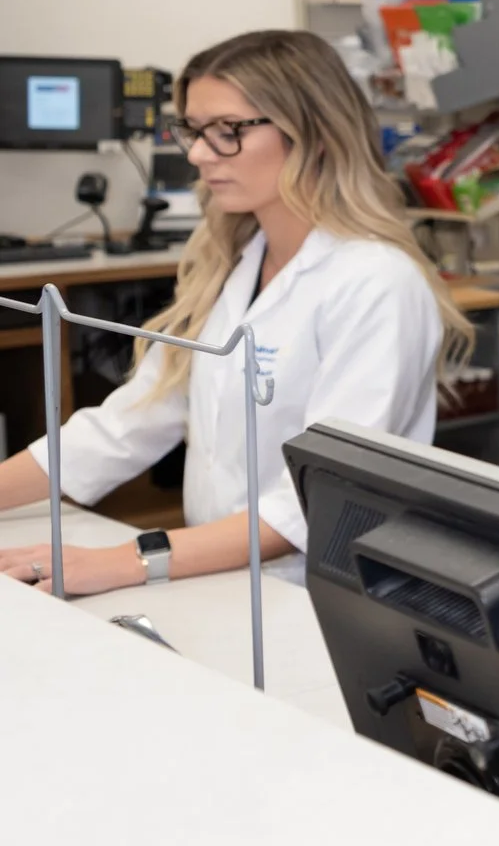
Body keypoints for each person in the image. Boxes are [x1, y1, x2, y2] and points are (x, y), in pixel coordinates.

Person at [0, 30, 469, 592]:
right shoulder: (235, 262)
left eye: (227, 132)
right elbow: (129, 424)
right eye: (195, 131)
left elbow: (316, 496)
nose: (197, 153)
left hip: (323, 594)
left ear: (311, 134)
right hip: (224, 575)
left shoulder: (375, 282)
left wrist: (129, 560)